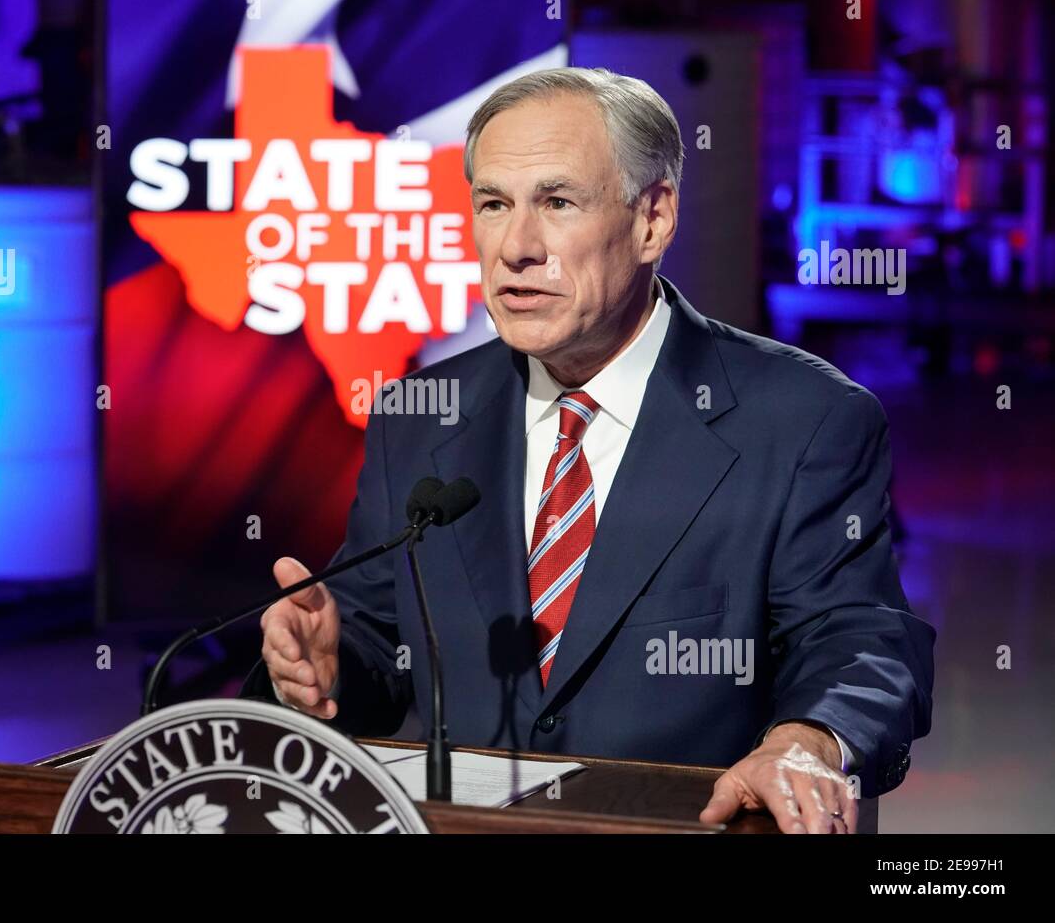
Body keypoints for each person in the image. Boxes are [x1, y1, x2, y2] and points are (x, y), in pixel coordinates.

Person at [240, 67, 935, 834]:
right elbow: (381, 634)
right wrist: (329, 663)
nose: (516, 247)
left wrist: (806, 742)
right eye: (493, 204)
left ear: (653, 220)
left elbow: (859, 638)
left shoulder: (805, 418)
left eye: (557, 203)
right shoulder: (418, 413)